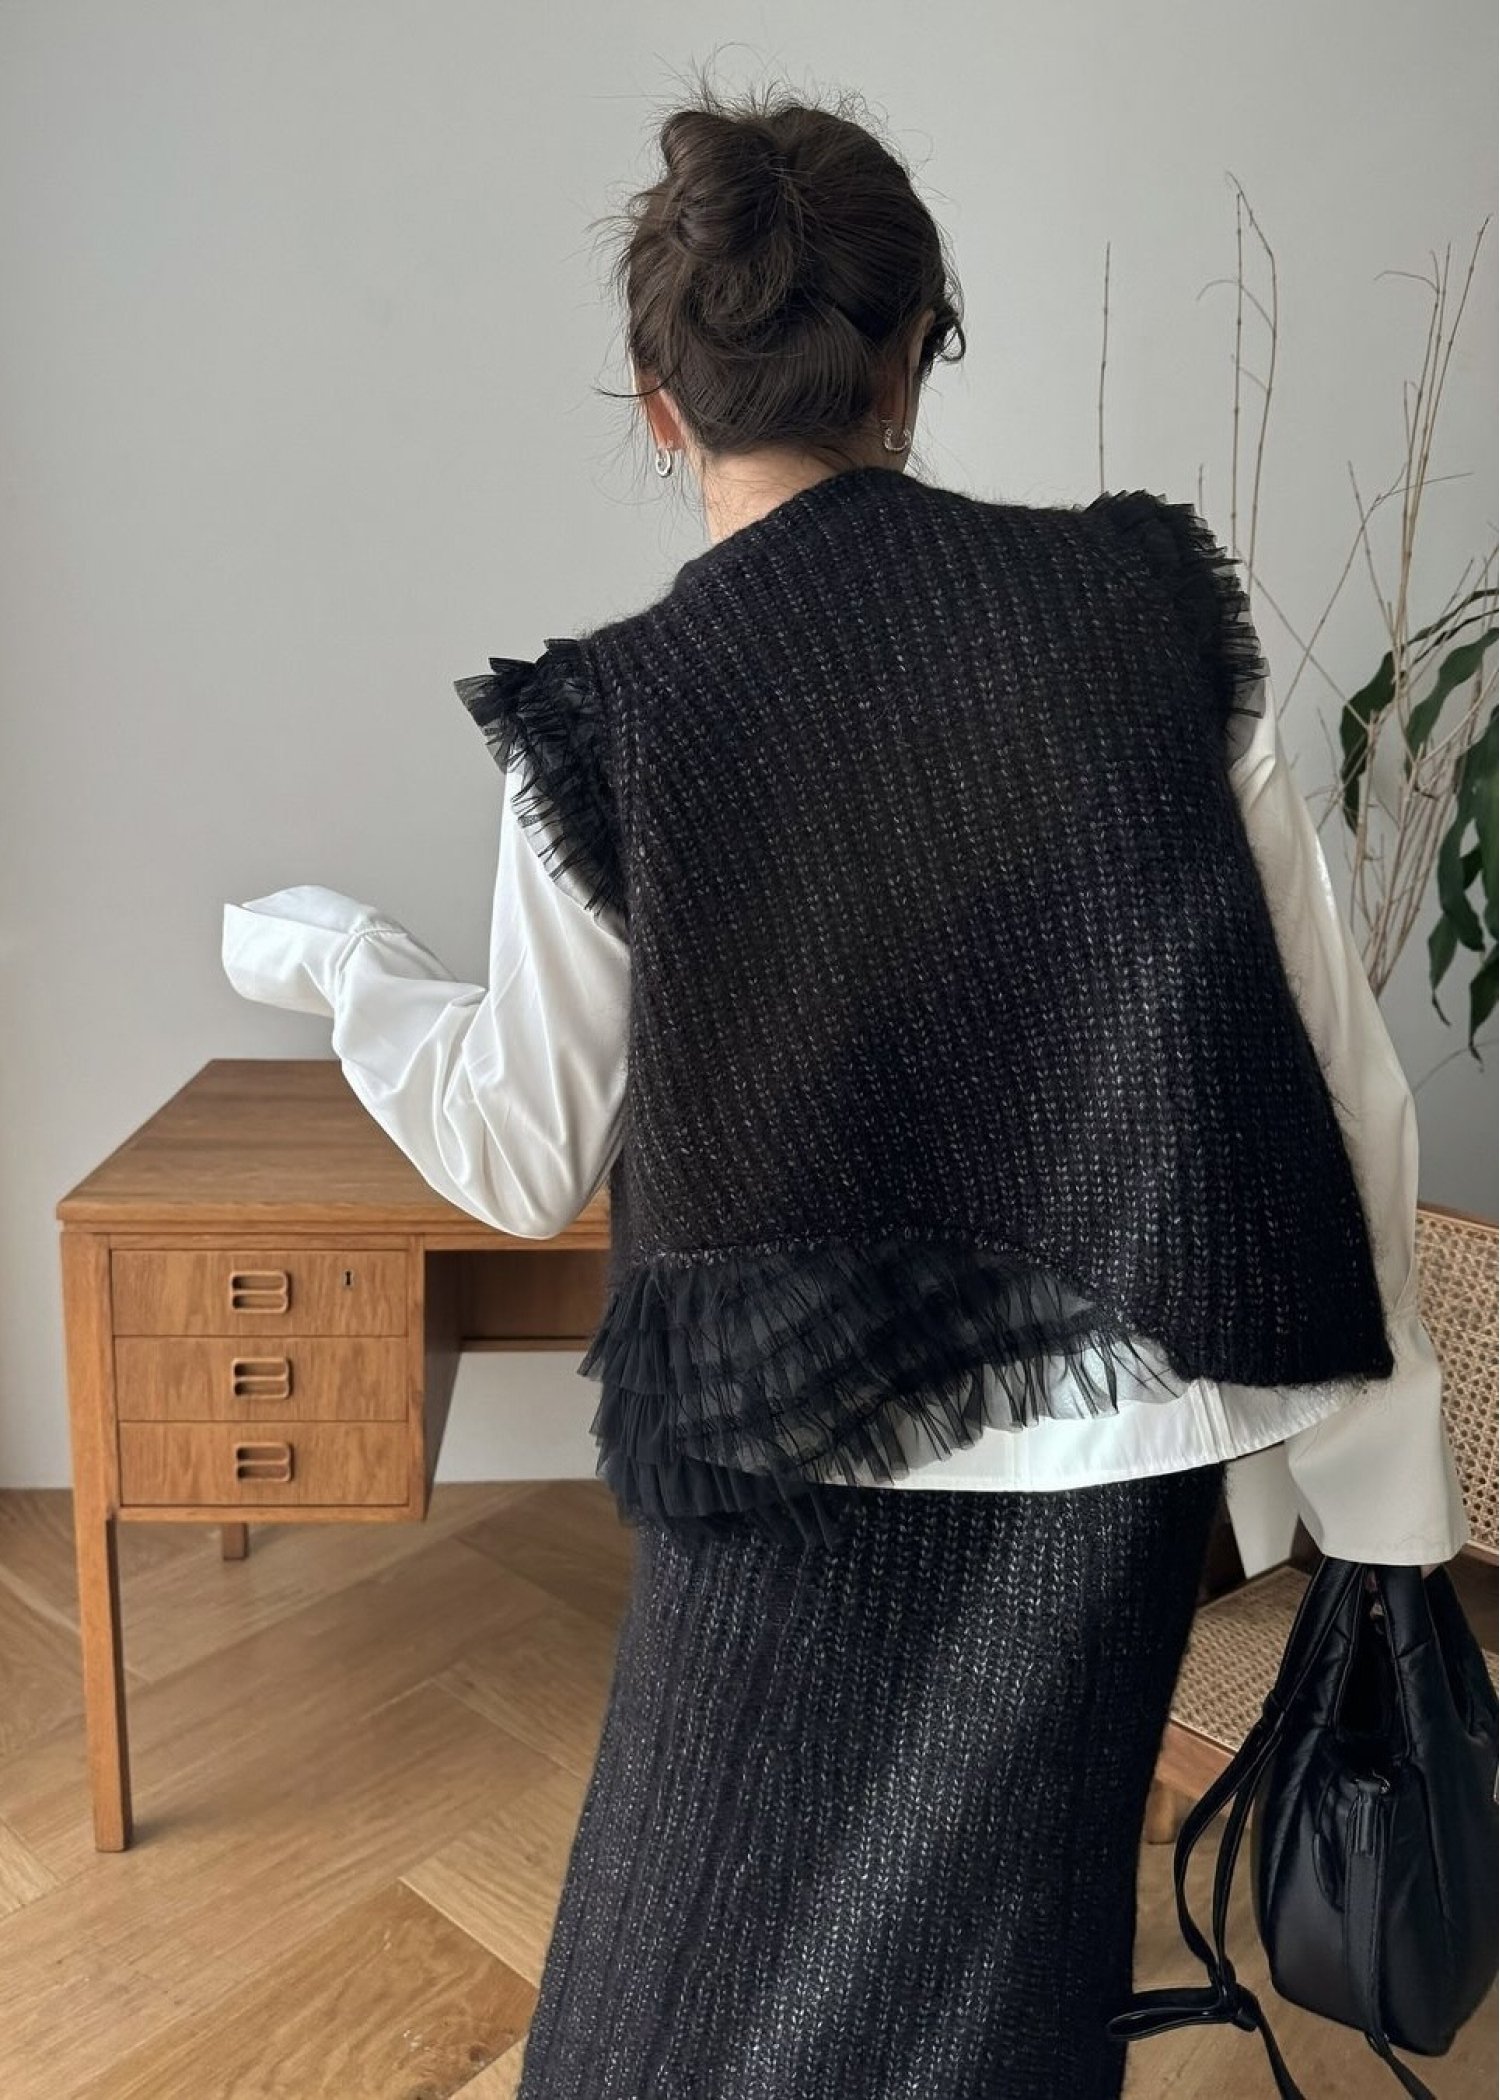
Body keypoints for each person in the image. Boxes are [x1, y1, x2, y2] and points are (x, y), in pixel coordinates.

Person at [222, 78, 1467, 2100]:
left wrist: (344, 969)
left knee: (668, 1988)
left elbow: (520, 1158)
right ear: (911, 359)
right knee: (1014, 1967)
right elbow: (1338, 1074)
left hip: (784, 1439)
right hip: (1124, 1447)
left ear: (661, 403)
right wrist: (1386, 1492)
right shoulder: (1147, 612)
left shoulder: (617, 717)